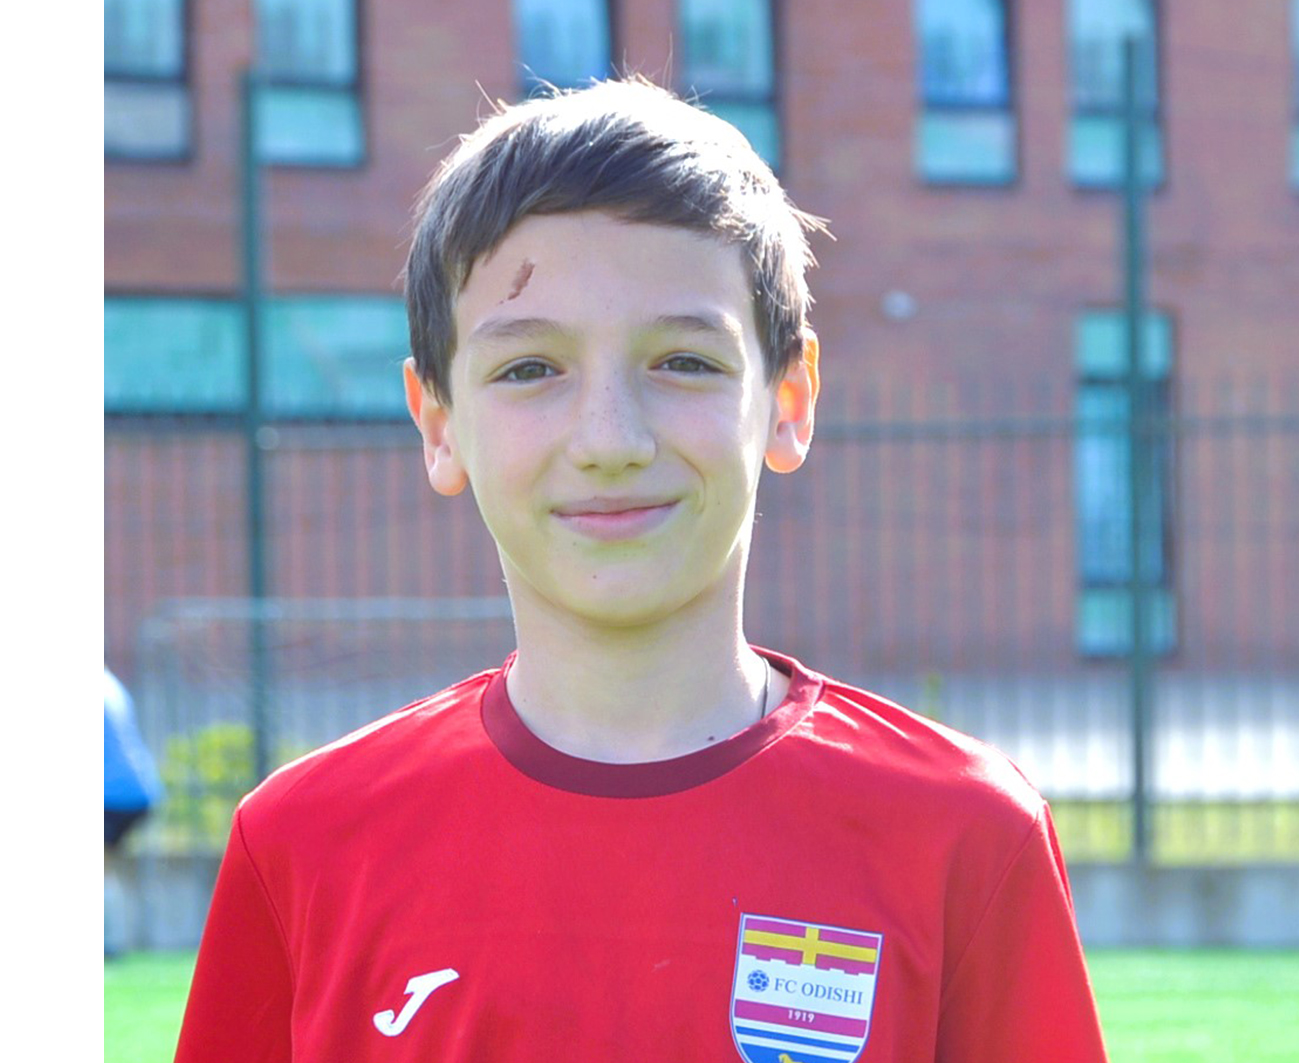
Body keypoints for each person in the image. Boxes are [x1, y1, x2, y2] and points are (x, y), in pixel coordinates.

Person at [175, 78, 1108, 1061]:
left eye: (683, 361)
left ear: (789, 399)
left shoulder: (964, 836)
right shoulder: (304, 844)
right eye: (529, 369)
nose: (610, 440)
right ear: (438, 422)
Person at [105, 667, 162, 957]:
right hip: (137, 787)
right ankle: (111, 940)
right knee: (104, 866)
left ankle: (108, 943)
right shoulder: (110, 683)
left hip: (109, 792)